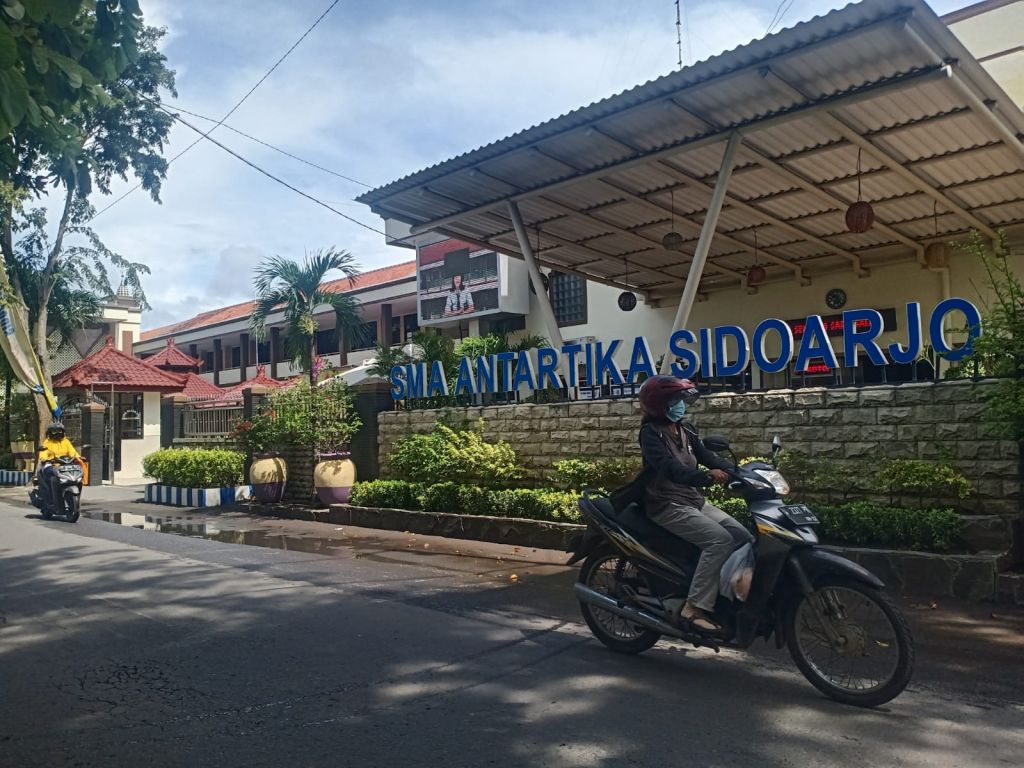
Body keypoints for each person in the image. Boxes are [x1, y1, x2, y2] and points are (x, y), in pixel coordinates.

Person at [637, 375, 753, 635]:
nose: (681, 405)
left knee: (743, 536)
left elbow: (708, 457)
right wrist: (705, 477)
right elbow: (670, 469)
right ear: (658, 404)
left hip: (692, 500)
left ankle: (725, 596)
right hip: (666, 504)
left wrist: (741, 472)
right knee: (720, 540)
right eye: (675, 400)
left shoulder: (686, 430)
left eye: (681, 400)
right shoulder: (650, 434)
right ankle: (694, 607)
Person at [38, 422, 79, 511]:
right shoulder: (47, 442)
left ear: (63, 431)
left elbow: (73, 452)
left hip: (64, 465)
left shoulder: (66, 441)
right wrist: (45, 459)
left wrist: (78, 457)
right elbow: (43, 454)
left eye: (59, 431)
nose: (57, 433)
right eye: (54, 431)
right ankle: (53, 501)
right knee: (53, 476)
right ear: (50, 432)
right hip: (50, 465)